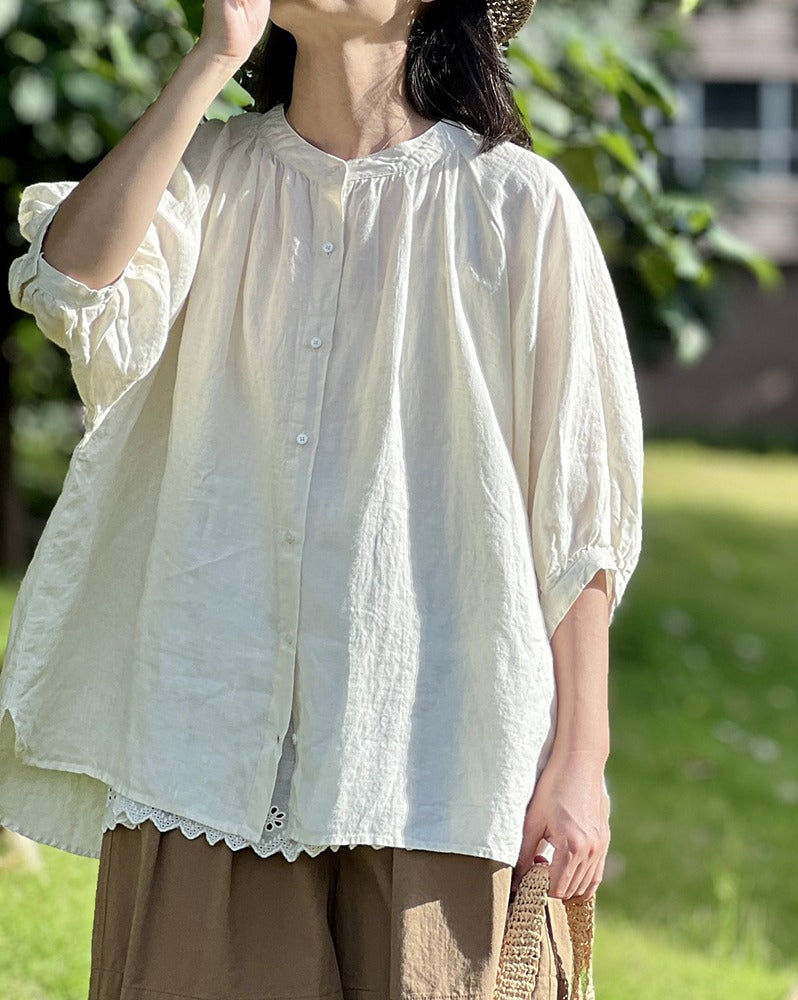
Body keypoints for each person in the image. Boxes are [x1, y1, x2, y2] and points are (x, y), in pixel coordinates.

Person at [0, 0, 644, 997]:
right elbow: (72, 283)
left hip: (437, 749)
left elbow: (579, 513)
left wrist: (580, 761)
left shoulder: (515, 204)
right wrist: (212, 58)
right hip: (200, 745)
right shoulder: (203, 176)